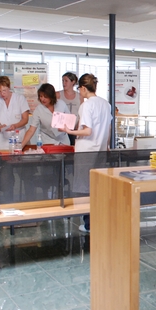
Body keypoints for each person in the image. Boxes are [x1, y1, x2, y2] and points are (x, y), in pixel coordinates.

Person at [64, 73, 112, 232]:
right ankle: (99, 221)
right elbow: (108, 128)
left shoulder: (86, 105)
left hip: (86, 152)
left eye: (80, 89)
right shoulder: (106, 104)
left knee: (84, 188)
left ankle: (89, 224)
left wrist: (68, 131)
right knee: (98, 187)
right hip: (100, 150)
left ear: (83, 88)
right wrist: (106, 145)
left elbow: (87, 131)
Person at [0, 76, 30, 152]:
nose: (2, 93)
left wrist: (15, 126)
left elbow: (25, 119)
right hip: (1, 139)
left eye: (4, 90)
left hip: (18, 136)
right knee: (2, 161)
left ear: (9, 87)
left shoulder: (19, 99)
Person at [20, 83, 70, 148]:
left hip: (63, 141)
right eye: (41, 96)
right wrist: (20, 146)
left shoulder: (61, 104)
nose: (42, 99)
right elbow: (31, 130)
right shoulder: (39, 110)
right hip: (48, 142)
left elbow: (70, 121)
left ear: (51, 96)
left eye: (45, 97)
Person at [56, 72, 81, 145]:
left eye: (66, 81)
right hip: (61, 128)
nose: (64, 83)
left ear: (73, 82)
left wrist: (78, 126)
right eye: (62, 81)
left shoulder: (79, 96)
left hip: (75, 128)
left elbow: (81, 113)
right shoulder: (58, 95)